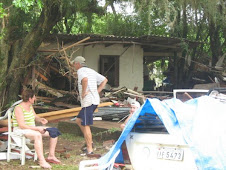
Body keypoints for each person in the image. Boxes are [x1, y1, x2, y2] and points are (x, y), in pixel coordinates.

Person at [12, 89, 61, 169]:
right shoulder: (19, 108)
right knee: (37, 135)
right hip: (20, 130)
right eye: (34, 97)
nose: (35, 99)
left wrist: (40, 119)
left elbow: (35, 117)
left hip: (31, 128)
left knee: (54, 131)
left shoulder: (30, 106)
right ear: (30, 99)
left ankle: (51, 156)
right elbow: (22, 126)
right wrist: (37, 129)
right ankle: (42, 161)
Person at [71, 56, 108, 156]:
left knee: (85, 124)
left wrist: (83, 93)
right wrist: (97, 91)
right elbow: (105, 80)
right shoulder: (91, 70)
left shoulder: (81, 71)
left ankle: (89, 149)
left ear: (78, 64)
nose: (74, 66)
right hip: (93, 100)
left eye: (74, 64)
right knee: (78, 120)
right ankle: (90, 142)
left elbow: (85, 80)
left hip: (88, 101)